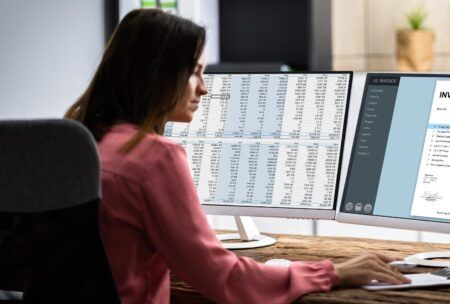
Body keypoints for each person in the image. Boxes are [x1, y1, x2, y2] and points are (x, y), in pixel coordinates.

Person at [65, 9, 410, 304]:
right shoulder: (153, 157)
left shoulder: (74, 142)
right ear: (157, 73)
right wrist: (331, 272)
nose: (204, 87)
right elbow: (221, 278)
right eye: (194, 71)